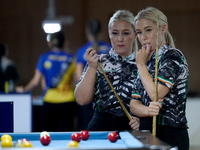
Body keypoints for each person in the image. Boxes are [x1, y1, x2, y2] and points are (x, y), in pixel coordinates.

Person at [130, 7, 189, 150]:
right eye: (139, 32)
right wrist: (148, 111)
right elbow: (133, 104)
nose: (143, 37)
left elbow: (156, 94)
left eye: (148, 30)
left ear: (163, 28)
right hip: (145, 131)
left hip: (171, 132)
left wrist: (140, 65)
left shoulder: (173, 56)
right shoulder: (145, 60)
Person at [75, 10, 140, 131]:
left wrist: (141, 120)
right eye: (115, 33)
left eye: (125, 33)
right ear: (109, 34)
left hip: (133, 127)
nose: (120, 39)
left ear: (135, 34)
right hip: (100, 127)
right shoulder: (97, 61)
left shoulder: (143, 63)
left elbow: (153, 102)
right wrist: (92, 67)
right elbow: (81, 99)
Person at [16, 31, 77, 132]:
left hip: (49, 101)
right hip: (68, 102)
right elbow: (76, 82)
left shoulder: (44, 57)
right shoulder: (71, 58)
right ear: (65, 42)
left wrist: (24, 90)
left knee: (48, 136)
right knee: (66, 137)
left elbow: (35, 82)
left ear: (50, 43)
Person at [76, 19, 112, 130]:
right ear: (102, 31)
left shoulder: (82, 51)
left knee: (86, 129)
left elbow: (79, 77)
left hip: (88, 95)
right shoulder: (110, 49)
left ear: (87, 32)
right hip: (106, 96)